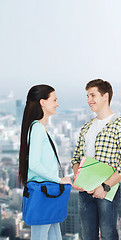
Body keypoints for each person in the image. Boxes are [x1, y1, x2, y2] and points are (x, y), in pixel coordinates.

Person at [71, 79, 121, 240]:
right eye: (87, 96)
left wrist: (104, 187)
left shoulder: (120, 125)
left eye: (93, 95)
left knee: (108, 234)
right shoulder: (86, 127)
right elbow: (75, 158)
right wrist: (80, 180)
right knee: (87, 235)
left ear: (105, 96)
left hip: (107, 190)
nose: (89, 100)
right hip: (85, 191)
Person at [18, 84, 72, 240]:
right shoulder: (37, 128)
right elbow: (34, 164)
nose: (57, 104)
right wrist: (59, 180)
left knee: (55, 237)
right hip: (43, 193)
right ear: (43, 102)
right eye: (54, 100)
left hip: (48, 193)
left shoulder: (41, 128)